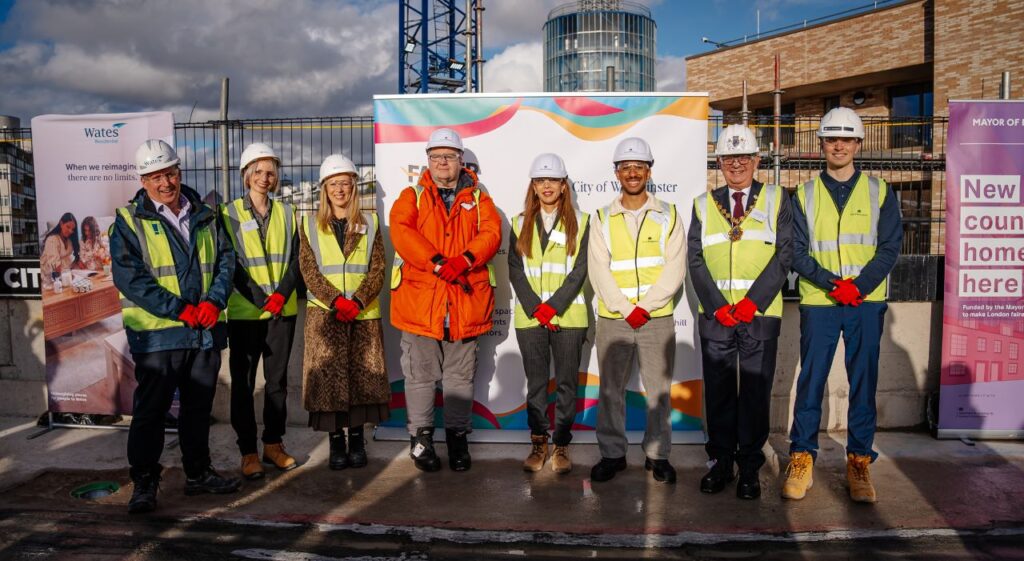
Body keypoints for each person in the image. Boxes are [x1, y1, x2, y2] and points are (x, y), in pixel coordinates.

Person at [110, 139, 239, 514]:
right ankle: (145, 483)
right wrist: (180, 309)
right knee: (151, 411)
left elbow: (225, 262)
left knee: (198, 410)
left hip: (203, 332)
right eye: (155, 176)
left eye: (170, 173)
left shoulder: (205, 214)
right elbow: (130, 278)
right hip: (158, 337)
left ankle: (198, 474)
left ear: (179, 171)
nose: (165, 183)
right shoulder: (129, 221)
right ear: (143, 180)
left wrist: (214, 302)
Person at [782, 107, 903, 504]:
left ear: (858, 144)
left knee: (863, 382)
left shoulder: (880, 191)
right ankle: (802, 456)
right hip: (820, 301)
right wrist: (836, 285)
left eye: (847, 139)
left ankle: (859, 461)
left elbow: (889, 248)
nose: (839, 145)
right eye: (832, 138)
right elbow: (797, 252)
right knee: (811, 381)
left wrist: (860, 286)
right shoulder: (803, 193)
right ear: (821, 144)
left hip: (866, 303)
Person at [688, 124, 792, 500]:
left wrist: (752, 302)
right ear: (719, 162)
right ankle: (721, 464)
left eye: (744, 157)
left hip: (759, 317)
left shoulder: (779, 198)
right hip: (717, 318)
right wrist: (718, 306)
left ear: (756, 161)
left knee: (754, 394)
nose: (736, 164)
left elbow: (784, 256)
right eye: (729, 158)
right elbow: (695, 260)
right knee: (717, 394)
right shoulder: (703, 204)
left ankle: (749, 467)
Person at [389, 127, 501, 472]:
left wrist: (465, 260)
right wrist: (437, 262)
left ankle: (457, 438)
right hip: (422, 305)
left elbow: (492, 233)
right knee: (421, 376)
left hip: (465, 306)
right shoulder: (414, 195)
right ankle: (421, 440)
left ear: (460, 161)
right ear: (427, 161)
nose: (442, 162)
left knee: (459, 378)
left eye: (449, 157)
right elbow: (401, 230)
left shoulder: (479, 199)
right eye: (436, 157)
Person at [588, 137, 685, 484]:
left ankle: (658, 455)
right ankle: (612, 454)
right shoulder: (601, 218)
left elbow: (675, 268)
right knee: (611, 390)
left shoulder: (668, 214)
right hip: (614, 320)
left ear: (649, 171)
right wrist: (624, 308)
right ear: (616, 173)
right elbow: (598, 270)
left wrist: (644, 308)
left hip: (655, 319)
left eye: (638, 167)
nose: (632, 173)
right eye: (625, 167)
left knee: (658, 390)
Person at [299, 154, 390, 471]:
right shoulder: (310, 224)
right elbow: (309, 271)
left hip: (363, 317)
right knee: (330, 384)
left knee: (361, 382)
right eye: (333, 184)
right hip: (326, 318)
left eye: (345, 183)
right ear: (324, 188)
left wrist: (359, 301)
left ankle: (357, 442)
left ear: (354, 186)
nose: (340, 190)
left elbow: (378, 268)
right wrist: (338, 301)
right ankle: (336, 443)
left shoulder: (371, 223)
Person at [221, 143, 300, 480]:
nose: (264, 178)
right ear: (246, 175)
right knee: (243, 384)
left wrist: (281, 295)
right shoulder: (227, 214)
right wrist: (258, 298)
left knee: (277, 383)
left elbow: (297, 259)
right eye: (258, 171)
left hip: (282, 311)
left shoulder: (287, 213)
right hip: (245, 313)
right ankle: (248, 451)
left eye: (270, 172)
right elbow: (230, 263)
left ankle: (273, 444)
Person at [508, 153, 590, 474]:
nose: (546, 186)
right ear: (533, 185)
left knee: (567, 384)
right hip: (531, 319)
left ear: (563, 185)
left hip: (569, 317)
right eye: (541, 180)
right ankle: (538, 443)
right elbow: (515, 269)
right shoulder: (518, 223)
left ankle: (562, 445)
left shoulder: (582, 222)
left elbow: (580, 270)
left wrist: (553, 307)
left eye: (553, 180)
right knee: (537, 385)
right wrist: (536, 309)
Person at [40, 212, 81, 286]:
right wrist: (69, 274)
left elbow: (72, 259)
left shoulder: (69, 240)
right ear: (61, 223)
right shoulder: (52, 240)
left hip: (65, 273)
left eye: (72, 229)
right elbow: (56, 267)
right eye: (68, 227)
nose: (70, 231)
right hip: (49, 276)